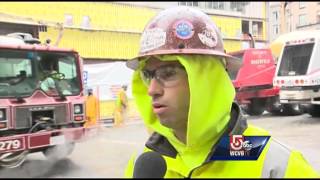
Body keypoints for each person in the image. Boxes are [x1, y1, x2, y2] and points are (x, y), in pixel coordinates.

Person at [124, 6, 319, 178]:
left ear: (208, 80)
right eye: (148, 75)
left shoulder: (271, 162)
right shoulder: (143, 164)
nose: (152, 90)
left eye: (168, 74)